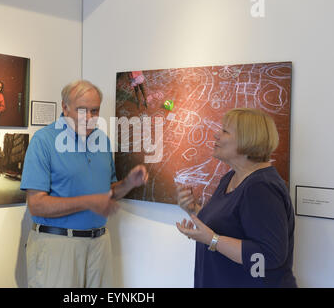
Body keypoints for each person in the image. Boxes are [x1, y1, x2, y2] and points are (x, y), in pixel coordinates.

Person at [20, 80, 149, 288]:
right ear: (64, 107)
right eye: (82, 110)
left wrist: (128, 183)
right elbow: (37, 204)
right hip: (57, 247)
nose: (89, 118)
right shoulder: (43, 141)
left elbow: (107, 193)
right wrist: (89, 202)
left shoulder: (103, 141)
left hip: (99, 245)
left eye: (94, 111)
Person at [175, 108, 297, 288]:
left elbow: (269, 256)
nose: (216, 135)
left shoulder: (262, 187)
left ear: (248, 139)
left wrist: (212, 240)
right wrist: (193, 209)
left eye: (224, 131)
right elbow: (228, 227)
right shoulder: (230, 178)